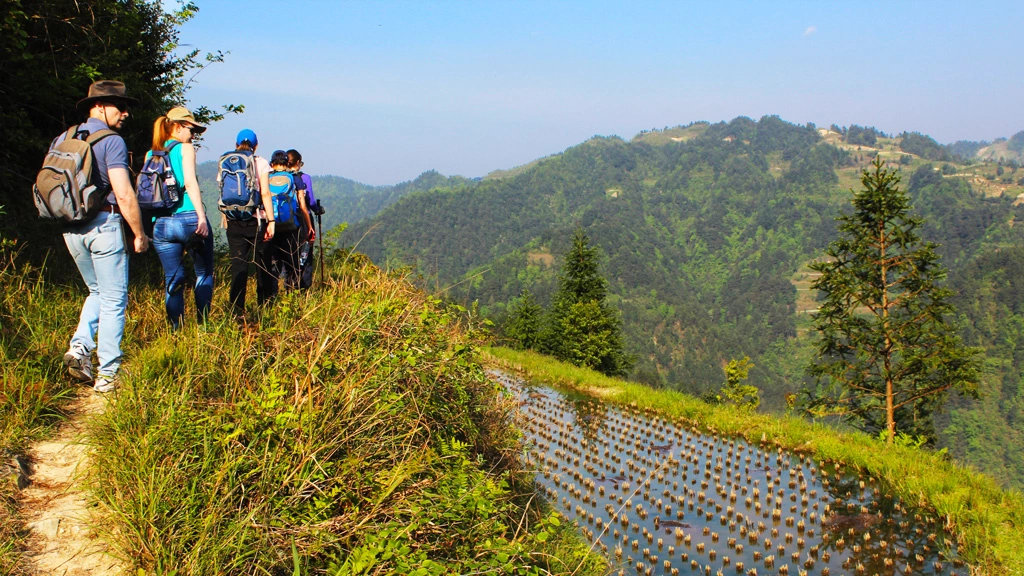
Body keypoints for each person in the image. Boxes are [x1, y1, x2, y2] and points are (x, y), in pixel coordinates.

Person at [58, 80, 149, 393]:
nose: (125, 113)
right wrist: (138, 233)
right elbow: (123, 193)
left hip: (71, 228)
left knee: (96, 291)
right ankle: (107, 376)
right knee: (113, 301)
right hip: (103, 226)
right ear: (98, 106)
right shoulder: (112, 141)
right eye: (119, 106)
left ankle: (80, 348)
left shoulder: (64, 136)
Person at [148, 107, 214, 329]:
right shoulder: (185, 149)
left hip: (161, 223)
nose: (193, 135)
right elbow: (190, 182)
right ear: (177, 127)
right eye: (191, 129)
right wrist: (201, 217)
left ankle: (176, 331)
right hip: (187, 219)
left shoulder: (151, 154)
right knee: (203, 273)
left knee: (173, 279)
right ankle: (203, 326)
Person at [220, 129, 275, 320]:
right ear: (256, 145)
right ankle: (265, 307)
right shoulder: (260, 162)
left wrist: (225, 216)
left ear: (236, 145)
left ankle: (236, 310)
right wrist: (271, 221)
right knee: (263, 265)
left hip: (234, 220)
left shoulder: (226, 160)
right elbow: (266, 193)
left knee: (239, 266)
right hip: (256, 220)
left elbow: (223, 192)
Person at [265, 150, 313, 295]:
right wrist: (309, 226)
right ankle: (291, 294)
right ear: (287, 163)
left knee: (273, 263)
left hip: (271, 227)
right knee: (292, 261)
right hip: (291, 226)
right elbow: (303, 206)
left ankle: (271, 296)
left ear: (272, 164)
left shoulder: (266, 177)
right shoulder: (295, 178)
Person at [287, 149, 318, 289]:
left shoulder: (280, 177)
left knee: (288, 255)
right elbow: (310, 201)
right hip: (303, 221)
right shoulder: (305, 178)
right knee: (305, 256)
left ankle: (289, 287)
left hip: (285, 221)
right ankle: (304, 289)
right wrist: (318, 210)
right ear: (298, 162)